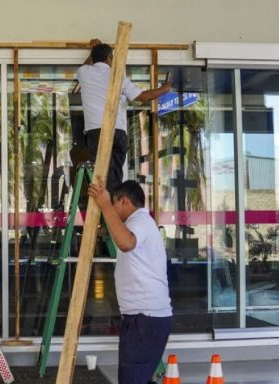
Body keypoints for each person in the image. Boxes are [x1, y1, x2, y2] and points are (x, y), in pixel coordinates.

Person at [87, 178, 172, 384]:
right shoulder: (139, 224)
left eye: (115, 203)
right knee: (137, 378)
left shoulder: (140, 221)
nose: (113, 209)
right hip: (143, 317)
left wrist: (105, 205)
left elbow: (126, 243)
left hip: (145, 317)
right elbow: (122, 236)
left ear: (124, 201)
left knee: (133, 379)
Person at [77, 39, 171, 193]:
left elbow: (87, 64)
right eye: (112, 57)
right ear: (109, 58)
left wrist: (94, 50)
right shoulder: (116, 76)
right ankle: (111, 212)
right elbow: (142, 97)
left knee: (101, 177)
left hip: (94, 133)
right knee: (113, 178)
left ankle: (103, 212)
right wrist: (164, 89)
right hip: (115, 131)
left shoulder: (83, 73)